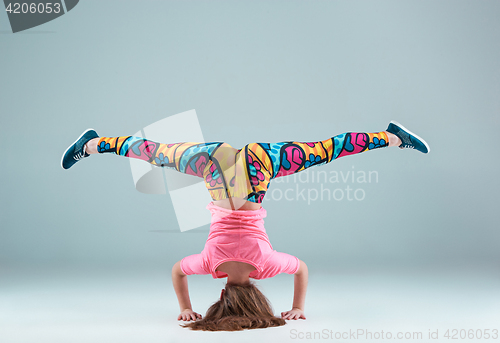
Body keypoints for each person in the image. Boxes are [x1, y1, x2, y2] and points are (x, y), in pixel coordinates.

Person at [61, 120, 429, 331]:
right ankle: (94, 145)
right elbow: (177, 271)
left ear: (258, 295)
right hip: (215, 166)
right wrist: (187, 308)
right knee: (154, 152)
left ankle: (394, 137)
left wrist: (297, 306)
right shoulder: (210, 265)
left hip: (257, 169)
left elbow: (300, 269)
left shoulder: (266, 266)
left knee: (327, 150)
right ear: (220, 295)